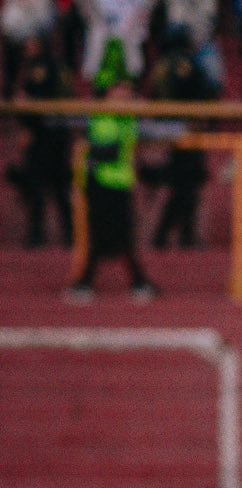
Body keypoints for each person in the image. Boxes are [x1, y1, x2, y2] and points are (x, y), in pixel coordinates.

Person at [65, 39, 154, 300]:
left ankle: (132, 281)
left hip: (121, 181)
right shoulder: (102, 115)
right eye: (120, 90)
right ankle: (91, 283)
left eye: (128, 90)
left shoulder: (127, 116)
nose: (126, 94)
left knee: (123, 236)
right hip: (100, 182)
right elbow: (104, 149)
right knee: (102, 236)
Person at [146, 32, 217, 250]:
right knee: (186, 186)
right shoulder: (182, 63)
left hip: (167, 130)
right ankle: (174, 236)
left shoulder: (161, 65)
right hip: (185, 130)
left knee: (184, 186)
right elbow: (195, 89)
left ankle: (175, 235)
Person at [7, 33, 73, 247]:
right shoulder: (49, 64)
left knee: (45, 188)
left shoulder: (41, 66)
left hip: (45, 136)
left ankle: (40, 235)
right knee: (57, 189)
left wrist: (29, 128)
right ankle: (67, 234)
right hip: (54, 134)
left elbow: (40, 100)